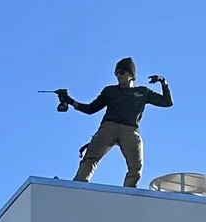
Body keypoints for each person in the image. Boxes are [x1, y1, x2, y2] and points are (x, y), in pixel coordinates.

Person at [56, 58, 173, 186]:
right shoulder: (110, 91)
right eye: (116, 73)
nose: (118, 76)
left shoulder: (143, 92)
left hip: (130, 130)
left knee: (136, 167)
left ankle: (128, 192)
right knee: (90, 158)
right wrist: (71, 101)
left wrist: (163, 81)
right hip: (108, 128)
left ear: (131, 75)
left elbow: (167, 102)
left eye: (121, 72)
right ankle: (79, 185)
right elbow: (90, 109)